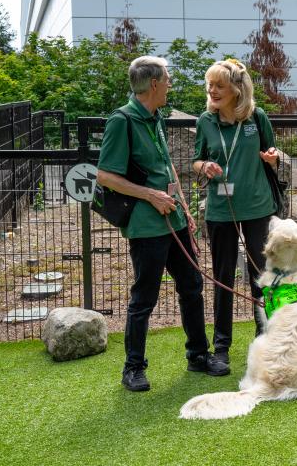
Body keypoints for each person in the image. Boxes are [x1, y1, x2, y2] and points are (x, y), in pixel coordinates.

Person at [97, 56, 229, 392]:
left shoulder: (155, 118)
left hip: (174, 220)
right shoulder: (122, 121)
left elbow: (164, 165)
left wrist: (182, 203)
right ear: (153, 83)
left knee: (192, 288)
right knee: (144, 298)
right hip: (146, 226)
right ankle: (133, 368)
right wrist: (151, 196)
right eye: (168, 79)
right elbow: (105, 176)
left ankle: (198, 355)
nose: (170, 84)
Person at [192, 58, 279, 373]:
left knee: (261, 276)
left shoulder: (258, 118)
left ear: (236, 90)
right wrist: (205, 167)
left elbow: (275, 154)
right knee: (223, 277)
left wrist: (273, 158)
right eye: (210, 85)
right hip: (220, 209)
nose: (212, 91)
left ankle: (265, 340)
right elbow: (195, 161)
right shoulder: (205, 121)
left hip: (258, 207)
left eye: (219, 86)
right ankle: (222, 348)